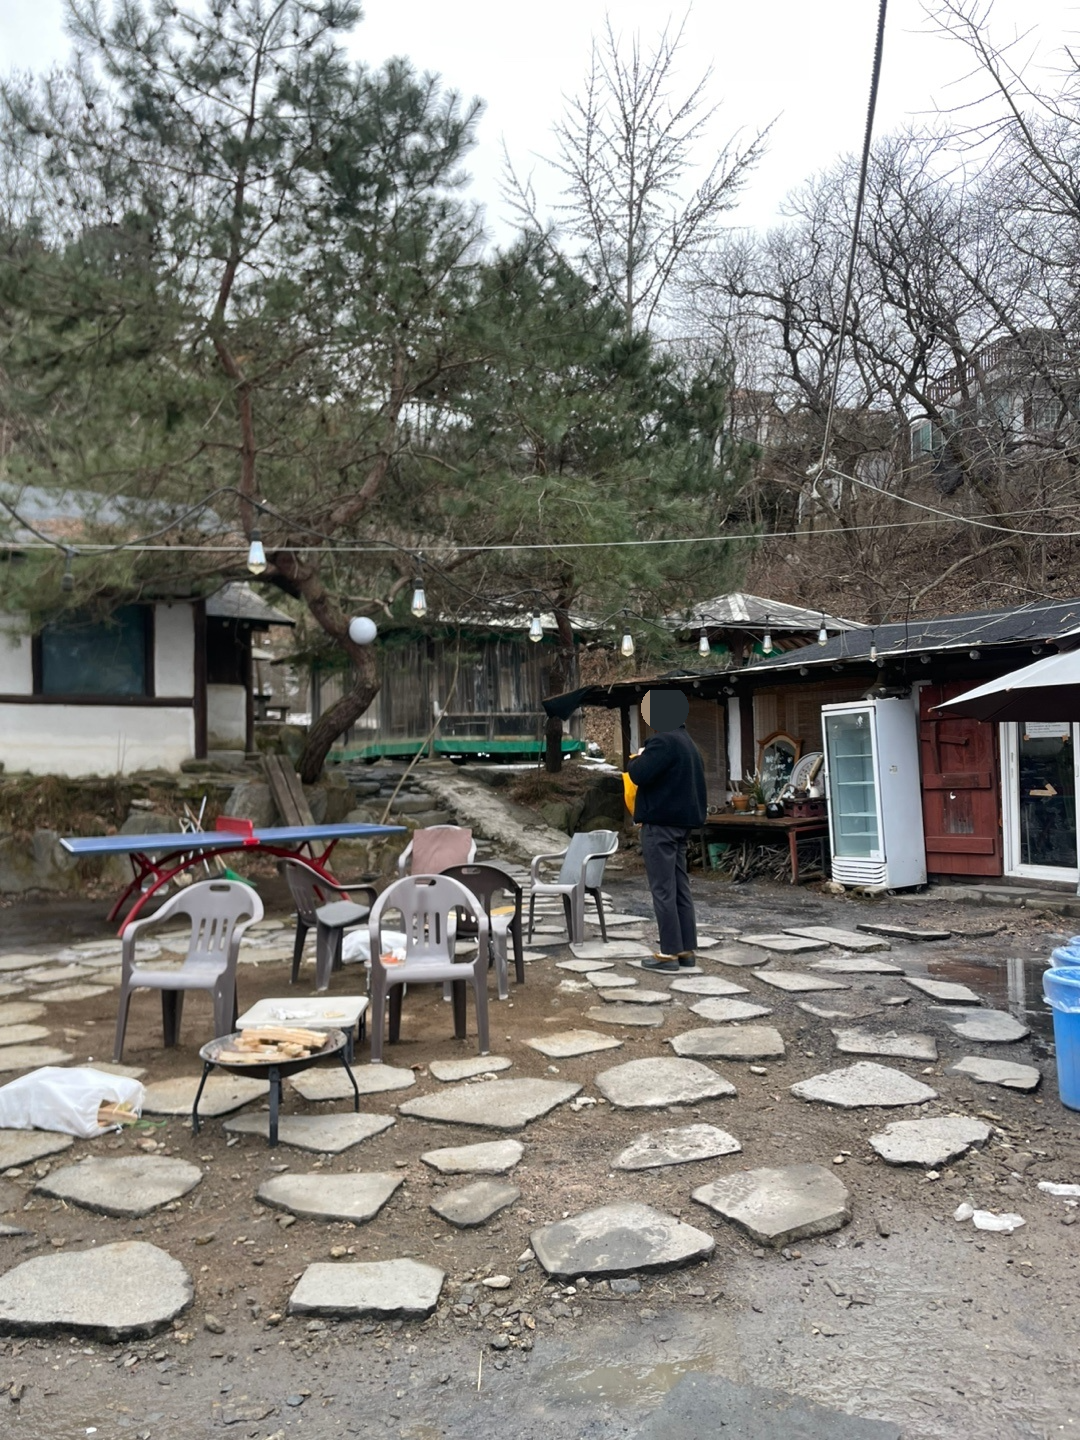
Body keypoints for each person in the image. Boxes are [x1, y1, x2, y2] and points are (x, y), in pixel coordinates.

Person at [627, 688, 707, 972]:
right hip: (682, 825)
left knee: (662, 889)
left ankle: (668, 953)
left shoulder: (662, 742)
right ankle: (685, 949)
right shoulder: (688, 742)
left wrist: (638, 757)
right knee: (680, 887)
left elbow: (638, 773)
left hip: (660, 826)